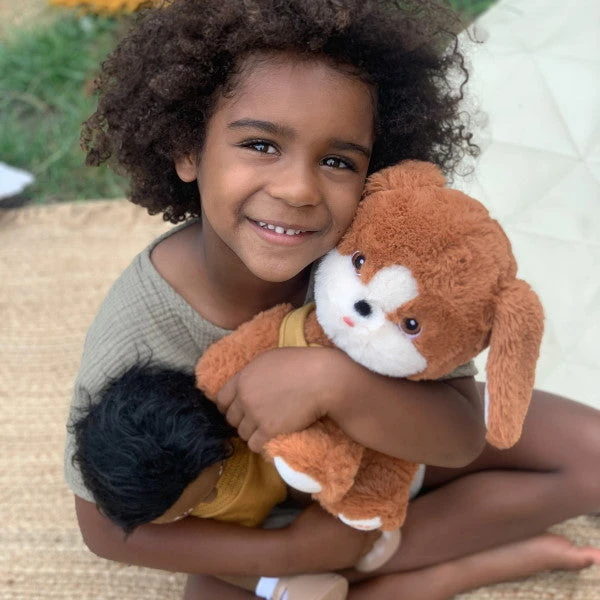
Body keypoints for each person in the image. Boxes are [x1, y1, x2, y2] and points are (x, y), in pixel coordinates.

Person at [64, 0, 600, 598]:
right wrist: (290, 552)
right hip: (258, 525)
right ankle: (414, 574)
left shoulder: (376, 256)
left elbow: (459, 437)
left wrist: (334, 383)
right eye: (261, 145)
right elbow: (105, 528)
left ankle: (385, 568)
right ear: (188, 149)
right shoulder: (140, 323)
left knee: (593, 454)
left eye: (337, 161)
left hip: (383, 466)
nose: (298, 189)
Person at [71, 363, 349, 599]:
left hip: (298, 493)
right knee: (211, 575)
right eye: (184, 512)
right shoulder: (161, 505)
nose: (213, 497)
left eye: (215, 480)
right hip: (243, 537)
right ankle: (278, 587)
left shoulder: (230, 439)